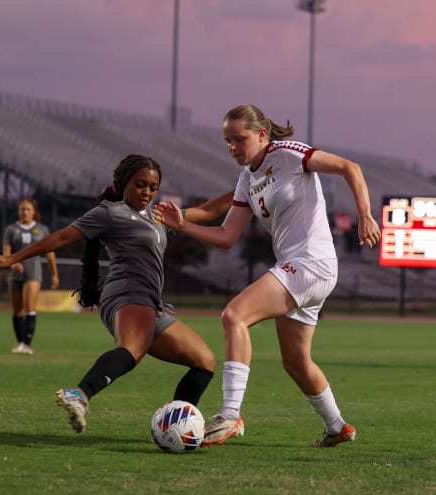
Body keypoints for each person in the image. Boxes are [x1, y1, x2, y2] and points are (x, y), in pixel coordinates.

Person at [153, 104, 381, 448]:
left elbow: (350, 167)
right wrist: (183, 225)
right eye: (227, 141)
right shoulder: (247, 178)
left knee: (234, 316)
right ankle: (337, 428)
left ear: (262, 135)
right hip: (301, 268)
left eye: (239, 139)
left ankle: (230, 415)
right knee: (296, 362)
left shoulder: (288, 154)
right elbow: (228, 236)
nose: (232, 147)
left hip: (311, 263)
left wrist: (365, 215)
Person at [0, 154, 233, 433]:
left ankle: (175, 427)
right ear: (124, 183)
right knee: (132, 350)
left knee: (204, 361)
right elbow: (62, 237)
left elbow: (208, 210)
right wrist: (14, 257)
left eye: (152, 186)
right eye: (140, 184)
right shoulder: (110, 212)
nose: (146, 191)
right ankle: (80, 394)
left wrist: (249, 186)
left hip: (150, 302)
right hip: (126, 293)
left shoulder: (160, 214)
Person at [3, 197, 59, 355]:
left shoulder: (42, 229)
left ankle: (27, 344)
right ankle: (20, 342)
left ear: (34, 212)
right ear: (18, 211)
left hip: (33, 274)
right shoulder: (11, 229)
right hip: (15, 275)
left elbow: (50, 253)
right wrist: (13, 263)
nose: (25, 212)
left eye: (28, 209)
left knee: (29, 308)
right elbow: (6, 252)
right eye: (22, 209)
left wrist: (55, 274)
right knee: (16, 311)